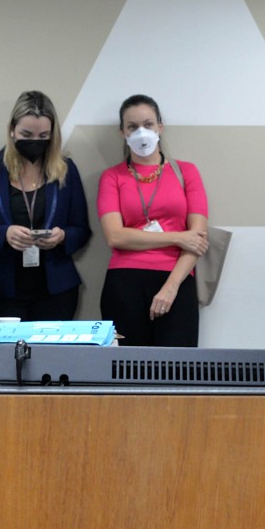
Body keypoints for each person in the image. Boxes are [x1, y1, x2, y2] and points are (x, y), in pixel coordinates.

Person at [0, 91, 91, 320]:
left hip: (56, 290)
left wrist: (62, 237)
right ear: (12, 130)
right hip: (3, 290)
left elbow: (81, 230)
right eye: (27, 134)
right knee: (7, 344)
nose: (35, 142)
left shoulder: (66, 170)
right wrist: (5, 234)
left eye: (44, 135)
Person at [97, 94, 209, 346]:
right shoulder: (111, 177)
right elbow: (115, 236)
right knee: (127, 366)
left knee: (178, 366)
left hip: (177, 280)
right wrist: (179, 237)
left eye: (148, 124)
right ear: (122, 132)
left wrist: (171, 287)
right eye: (132, 126)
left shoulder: (186, 172)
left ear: (160, 126)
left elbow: (198, 240)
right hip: (124, 282)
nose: (141, 132)